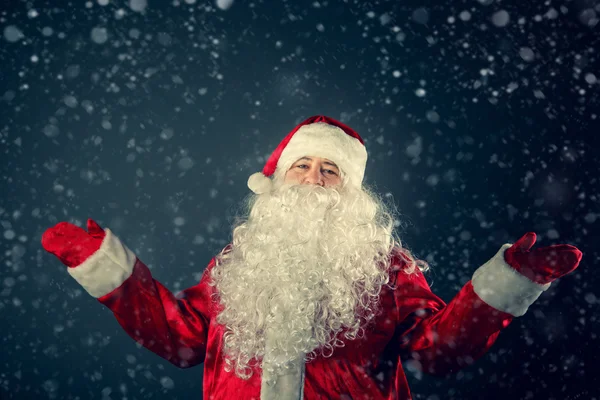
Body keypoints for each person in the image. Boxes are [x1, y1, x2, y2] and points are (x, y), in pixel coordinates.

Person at [41, 115, 583, 400]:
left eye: (330, 170)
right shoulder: (239, 262)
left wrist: (502, 288)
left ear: (351, 191)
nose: (314, 180)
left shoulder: (387, 270)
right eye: (302, 167)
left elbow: (435, 353)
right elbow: (183, 340)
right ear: (277, 183)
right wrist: (112, 271)